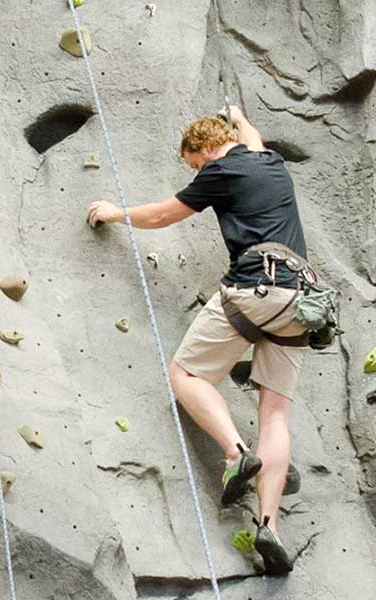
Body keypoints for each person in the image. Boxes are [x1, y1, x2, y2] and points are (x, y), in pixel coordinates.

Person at [85, 105, 309, 576]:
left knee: (185, 374)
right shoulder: (267, 159)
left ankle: (235, 454)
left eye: (194, 164)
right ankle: (270, 526)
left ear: (205, 149)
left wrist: (114, 213)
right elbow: (252, 134)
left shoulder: (220, 170)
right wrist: (237, 114)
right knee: (275, 412)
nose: (197, 171)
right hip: (302, 301)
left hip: (255, 288)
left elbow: (164, 215)